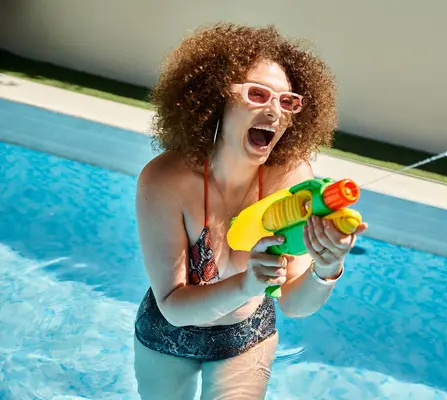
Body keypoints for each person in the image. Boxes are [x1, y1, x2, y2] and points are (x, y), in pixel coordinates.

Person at [133, 22, 368, 400]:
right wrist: (246, 284)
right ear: (215, 100)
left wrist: (327, 269)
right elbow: (174, 307)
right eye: (258, 95)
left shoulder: (293, 179)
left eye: (287, 101)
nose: (275, 111)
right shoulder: (165, 180)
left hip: (246, 335)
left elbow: (294, 303)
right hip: (167, 334)